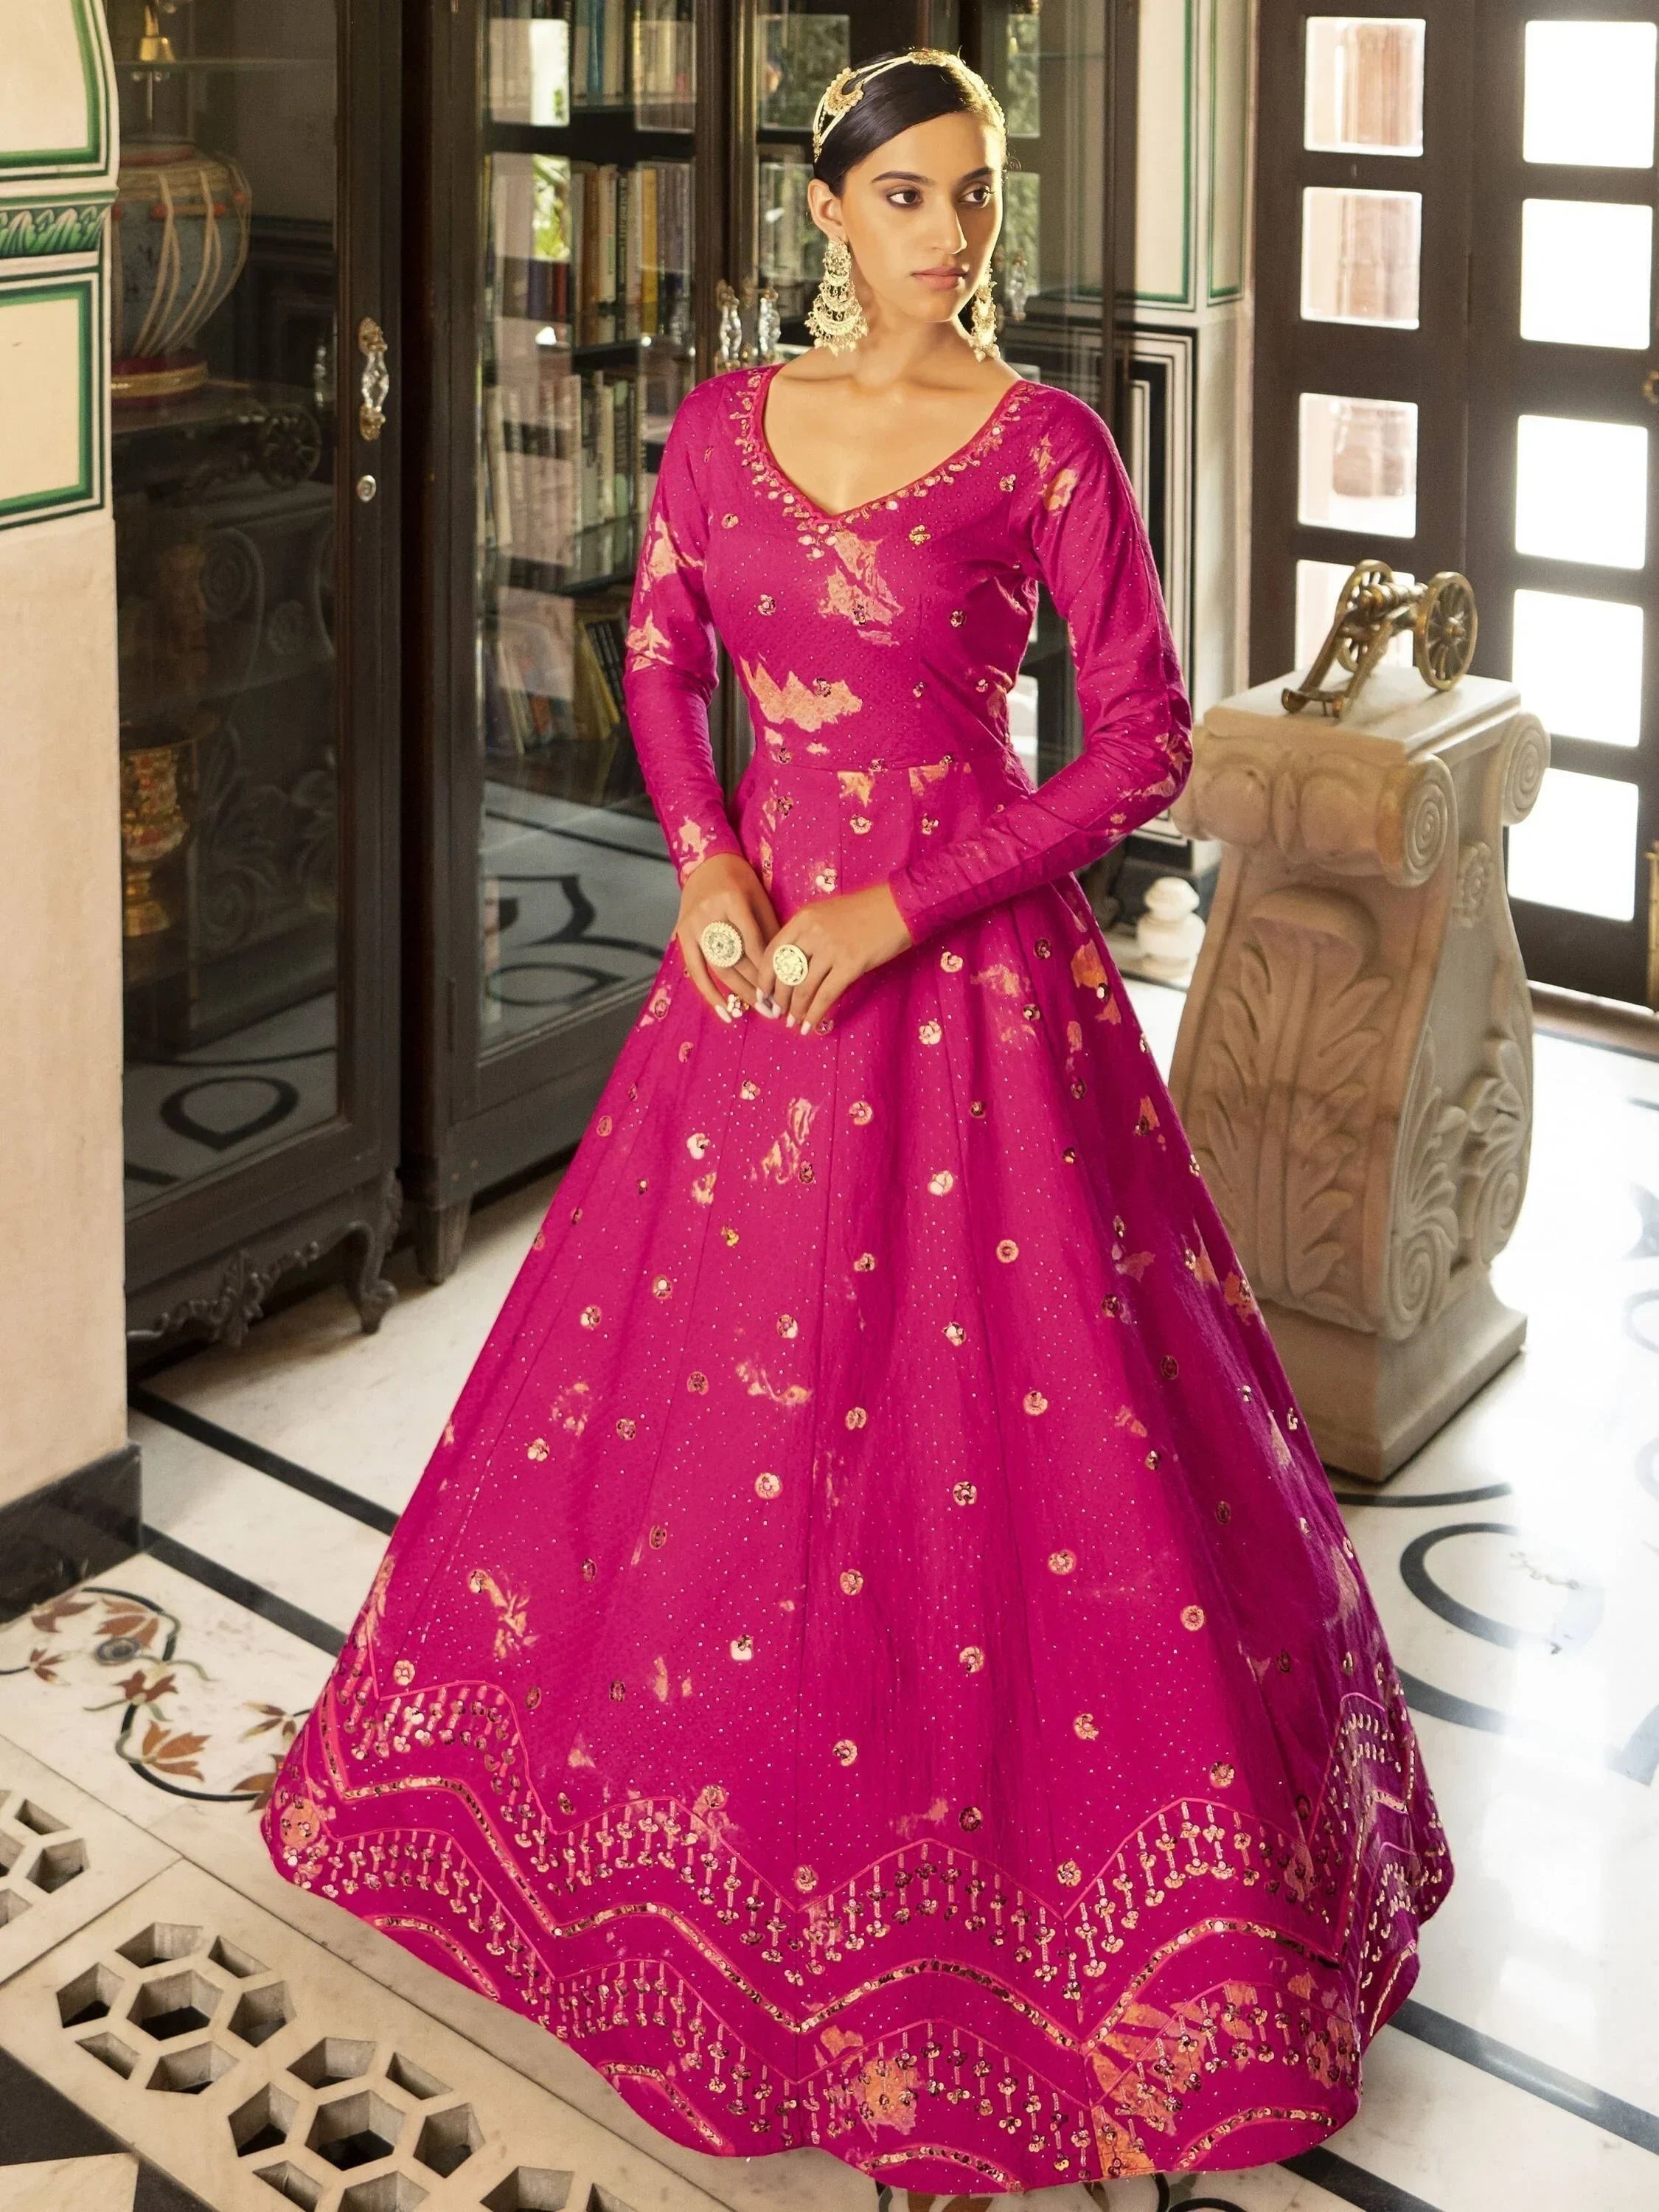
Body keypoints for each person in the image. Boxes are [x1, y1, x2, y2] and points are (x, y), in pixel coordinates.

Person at [262, 47, 1452, 2199]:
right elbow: (656, 657)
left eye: (974, 194)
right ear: (826, 210)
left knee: (1011, 1432)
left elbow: (1140, 747)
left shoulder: (1048, 446)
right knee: (707, 1432)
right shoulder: (722, 429)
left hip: (969, 990)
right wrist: (708, 859)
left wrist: (897, 908)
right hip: (753, 998)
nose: (951, 232)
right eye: (906, 194)